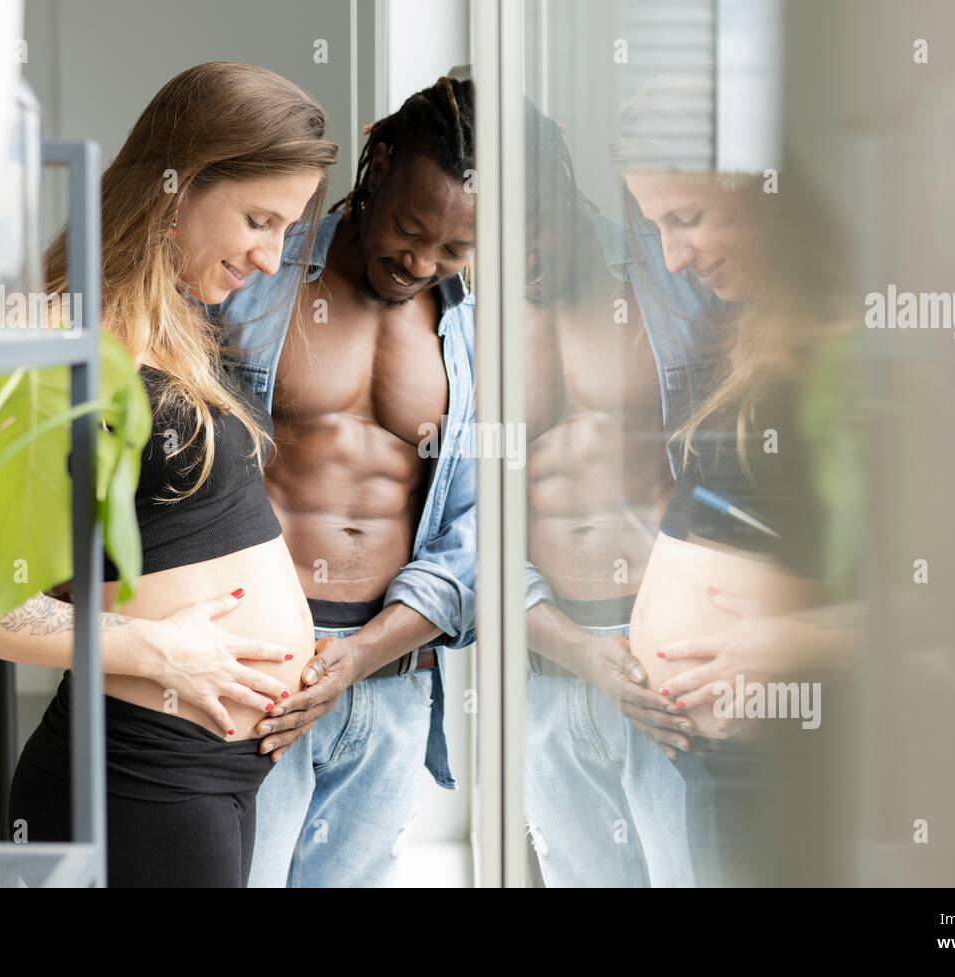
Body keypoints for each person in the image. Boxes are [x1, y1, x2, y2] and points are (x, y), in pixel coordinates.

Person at [0, 62, 338, 887]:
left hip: (213, 778)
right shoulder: (54, 333)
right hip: (137, 778)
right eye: (259, 220)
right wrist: (163, 651)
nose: (270, 258)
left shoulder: (181, 334)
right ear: (179, 182)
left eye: (287, 230)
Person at [216, 77, 478, 888]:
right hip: (259, 668)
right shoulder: (258, 271)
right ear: (381, 162)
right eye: (408, 228)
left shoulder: (478, 325)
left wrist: (361, 654)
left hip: (393, 682)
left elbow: (482, 527)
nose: (421, 261)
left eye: (455, 250)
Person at [615, 73, 865, 886]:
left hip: (796, 767)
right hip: (717, 763)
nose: (673, 257)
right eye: (654, 227)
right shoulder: (749, 335)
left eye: (684, 219)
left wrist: (788, 644)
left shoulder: (858, 347)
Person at [518, 99, 708, 887]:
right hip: (547, 670)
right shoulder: (453, 312)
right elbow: (465, 525)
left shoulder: (669, 274)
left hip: (672, 663)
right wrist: (573, 649)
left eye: (532, 219)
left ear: (561, 182)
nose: (517, 249)